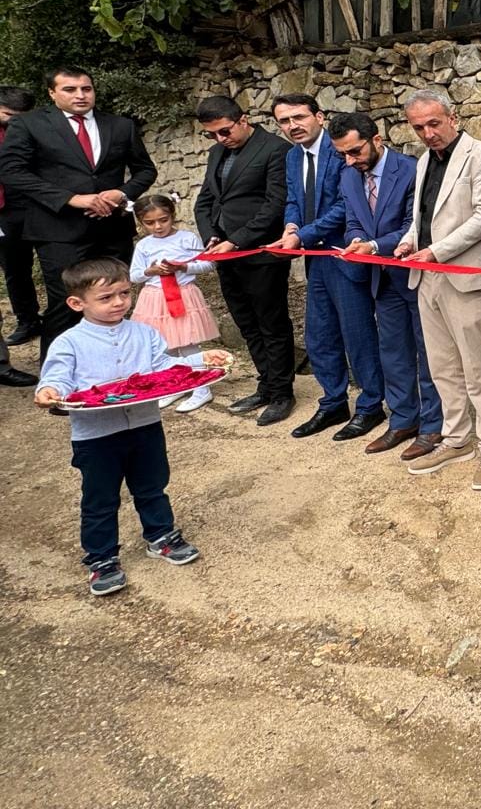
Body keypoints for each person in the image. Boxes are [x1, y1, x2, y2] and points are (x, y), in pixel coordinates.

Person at [34, 257, 230, 596]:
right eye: (106, 298)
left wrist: (200, 360)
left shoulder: (143, 332)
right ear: (77, 303)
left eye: (124, 293)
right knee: (100, 498)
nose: (119, 302)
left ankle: (160, 535)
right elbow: (58, 377)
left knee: (152, 485)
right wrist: (49, 390)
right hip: (96, 436)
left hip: (144, 425)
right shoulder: (69, 342)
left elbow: (164, 369)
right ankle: (101, 558)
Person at [0, 67, 157, 358]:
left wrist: (121, 193)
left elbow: (145, 170)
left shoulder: (120, 125)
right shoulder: (30, 124)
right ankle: (59, 377)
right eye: (70, 89)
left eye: (86, 88)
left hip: (112, 229)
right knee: (67, 303)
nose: (80, 95)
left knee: (114, 301)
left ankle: (116, 367)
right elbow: (12, 172)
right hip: (58, 230)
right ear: (52, 93)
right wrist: (71, 199)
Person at [393, 90, 481, 486]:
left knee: (478, 368)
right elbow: (421, 217)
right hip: (426, 275)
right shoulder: (424, 160)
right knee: (442, 366)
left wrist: (436, 251)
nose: (427, 133)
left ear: (452, 117)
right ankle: (457, 438)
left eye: (433, 123)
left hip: (464, 275)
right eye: (418, 127)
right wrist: (408, 241)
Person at [319, 111, 443, 460]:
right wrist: (357, 240)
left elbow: (413, 225)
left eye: (354, 151)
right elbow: (353, 221)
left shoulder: (412, 170)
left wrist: (374, 246)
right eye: (342, 154)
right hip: (381, 279)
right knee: (393, 352)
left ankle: (433, 425)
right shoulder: (348, 175)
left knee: (429, 353)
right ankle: (403, 420)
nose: (349, 160)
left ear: (376, 140)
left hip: (416, 277)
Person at [271, 94, 385, 442]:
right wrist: (291, 228)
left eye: (299, 117)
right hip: (314, 258)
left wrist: (302, 235)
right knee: (319, 335)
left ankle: (370, 405)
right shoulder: (293, 156)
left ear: (319, 116)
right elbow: (293, 199)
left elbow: (344, 206)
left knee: (358, 334)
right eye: (284, 121)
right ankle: (333, 402)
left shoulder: (340, 151)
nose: (292, 126)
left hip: (344, 253)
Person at [192, 95, 295, 426]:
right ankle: (266, 385)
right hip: (226, 254)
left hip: (261, 253)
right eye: (211, 134)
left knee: (271, 323)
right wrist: (211, 236)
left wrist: (237, 240)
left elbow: (275, 205)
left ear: (243, 120)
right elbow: (206, 200)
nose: (220, 139)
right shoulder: (216, 153)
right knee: (246, 323)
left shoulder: (275, 150)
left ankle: (282, 393)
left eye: (224, 131)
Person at [128, 194, 219, 412]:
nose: (158, 227)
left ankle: (201, 388)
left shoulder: (187, 238)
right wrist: (150, 270)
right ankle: (176, 384)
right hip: (154, 300)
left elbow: (208, 264)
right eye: (150, 223)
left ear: (173, 215)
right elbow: (134, 275)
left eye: (163, 220)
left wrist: (183, 267)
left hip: (183, 296)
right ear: (141, 223)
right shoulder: (143, 245)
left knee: (188, 344)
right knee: (163, 346)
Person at [0, 84, 43, 349]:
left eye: (20, 116)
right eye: (8, 114)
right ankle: (27, 321)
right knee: (15, 269)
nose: (14, 121)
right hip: (4, 210)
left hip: (41, 205)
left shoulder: (38, 130)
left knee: (57, 263)